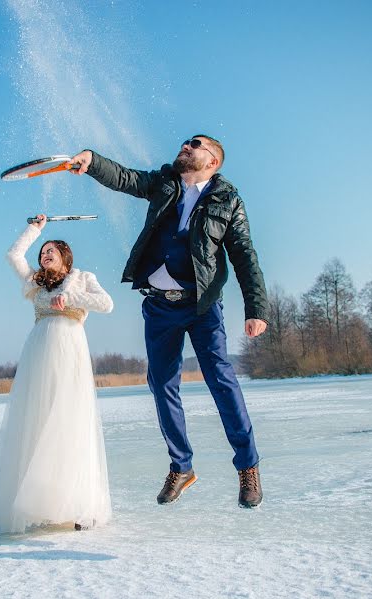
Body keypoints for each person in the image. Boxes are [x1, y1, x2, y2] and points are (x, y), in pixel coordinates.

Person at [69, 135, 269, 508]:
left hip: (202, 307)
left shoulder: (228, 200)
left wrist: (256, 308)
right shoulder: (164, 183)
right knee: (161, 384)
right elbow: (126, 178)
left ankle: (247, 466)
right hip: (159, 307)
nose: (185, 146)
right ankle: (182, 466)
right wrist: (93, 161)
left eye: (194, 144)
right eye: (183, 143)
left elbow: (244, 255)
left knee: (221, 381)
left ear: (213, 161)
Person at [0, 214, 114, 532]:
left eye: (50, 251)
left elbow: (106, 304)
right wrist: (34, 230)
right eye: (42, 253)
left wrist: (71, 297)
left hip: (70, 350)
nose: (44, 255)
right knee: (38, 420)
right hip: (39, 352)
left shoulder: (83, 277)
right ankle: (38, 505)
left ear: (65, 257)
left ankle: (78, 505)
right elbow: (13, 255)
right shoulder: (34, 282)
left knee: (69, 421)